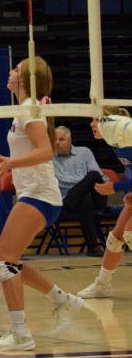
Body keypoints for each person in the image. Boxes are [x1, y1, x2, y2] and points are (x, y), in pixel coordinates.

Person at [0, 55, 84, 352]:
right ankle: (62, 299)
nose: (10, 71)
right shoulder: (23, 110)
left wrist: (9, 163)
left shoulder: (28, 110)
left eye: (16, 68)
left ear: (25, 79)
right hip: (36, 194)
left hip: (41, 195)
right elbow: (31, 151)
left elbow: (46, 151)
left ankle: (21, 334)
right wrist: (6, 161)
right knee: (13, 261)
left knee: (3, 261)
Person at [78, 106, 132, 299]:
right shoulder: (116, 141)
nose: (92, 124)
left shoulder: (128, 137)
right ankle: (102, 285)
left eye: (97, 120)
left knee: (129, 233)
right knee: (115, 238)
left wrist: (116, 188)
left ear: (111, 122)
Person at [53, 124, 108, 256]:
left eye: (61, 139)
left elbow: (99, 176)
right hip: (75, 202)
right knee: (85, 198)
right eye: (55, 140)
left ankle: (71, 199)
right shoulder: (49, 159)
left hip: (94, 197)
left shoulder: (84, 152)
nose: (57, 143)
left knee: (94, 175)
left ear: (70, 140)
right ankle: (93, 247)